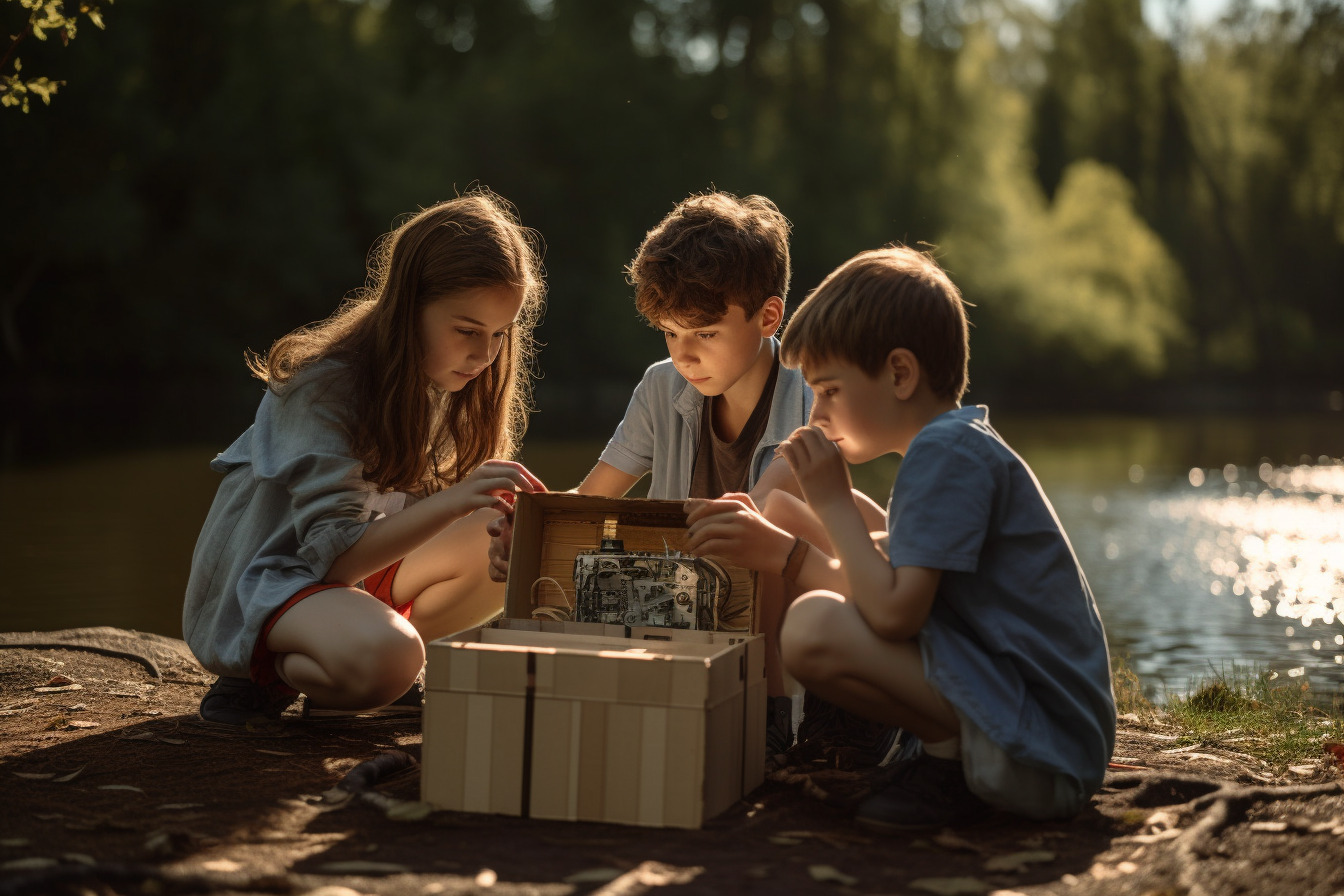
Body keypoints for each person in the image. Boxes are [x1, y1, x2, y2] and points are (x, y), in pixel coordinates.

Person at [684, 245, 1115, 828]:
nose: (816, 415)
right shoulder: (952, 446)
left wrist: (791, 545)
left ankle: (945, 766)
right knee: (788, 507)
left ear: (899, 373)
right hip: (1040, 735)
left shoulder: (946, 454)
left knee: (811, 625)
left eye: (830, 390)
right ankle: (915, 743)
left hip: (1036, 756)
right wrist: (786, 523)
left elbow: (892, 615)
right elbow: (884, 574)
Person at [183, 190, 548, 726]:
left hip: (349, 585)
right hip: (272, 583)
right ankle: (265, 674)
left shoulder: (451, 387)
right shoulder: (323, 386)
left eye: (500, 334)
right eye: (467, 331)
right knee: (391, 658)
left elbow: (411, 526)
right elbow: (333, 560)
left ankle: (360, 665)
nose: (485, 354)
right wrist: (451, 504)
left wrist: (506, 540)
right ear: (408, 306)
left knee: (501, 530)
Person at [486, 190, 832, 752]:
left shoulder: (813, 396)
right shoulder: (661, 386)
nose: (684, 355)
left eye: (706, 334)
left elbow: (757, 517)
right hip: (681, 609)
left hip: (783, 620)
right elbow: (591, 500)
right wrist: (527, 531)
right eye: (670, 333)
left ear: (769, 317)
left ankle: (768, 717)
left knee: (761, 529)